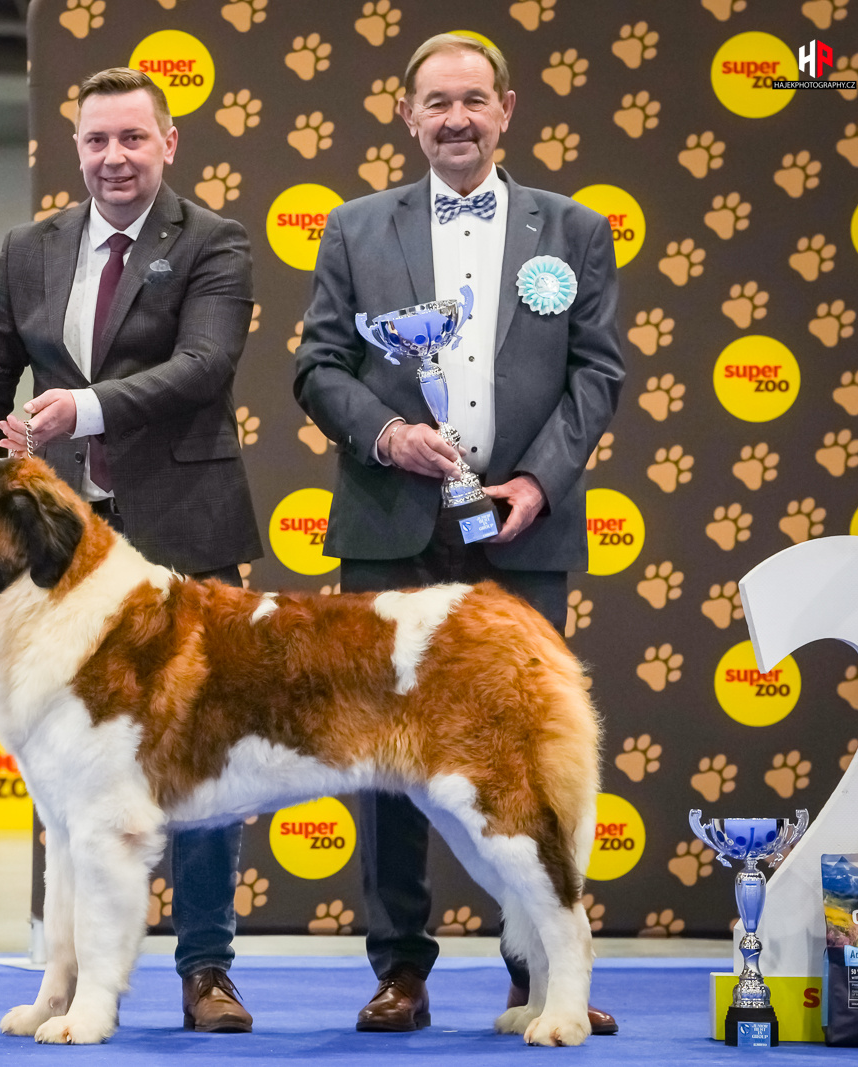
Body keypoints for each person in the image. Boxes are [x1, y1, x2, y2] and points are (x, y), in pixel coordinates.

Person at [293, 33, 624, 1035]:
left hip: (520, 527)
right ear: (407, 115)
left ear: (507, 109)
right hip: (389, 523)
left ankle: (540, 968)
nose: (456, 119)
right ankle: (399, 966)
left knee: (526, 753)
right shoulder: (355, 228)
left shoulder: (575, 230)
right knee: (381, 752)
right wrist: (388, 434)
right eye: (437, 102)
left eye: (474, 100)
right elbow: (316, 366)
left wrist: (539, 481)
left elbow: (597, 372)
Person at [0, 67, 262, 1033]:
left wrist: (82, 408)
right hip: (59, 555)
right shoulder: (29, 248)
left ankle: (206, 969)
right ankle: (68, 973)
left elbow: (204, 366)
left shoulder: (215, 241)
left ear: (168, 142)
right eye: (97, 140)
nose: (114, 157)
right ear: (77, 146)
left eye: (134, 138)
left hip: (185, 533)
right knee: (62, 766)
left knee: (199, 761)